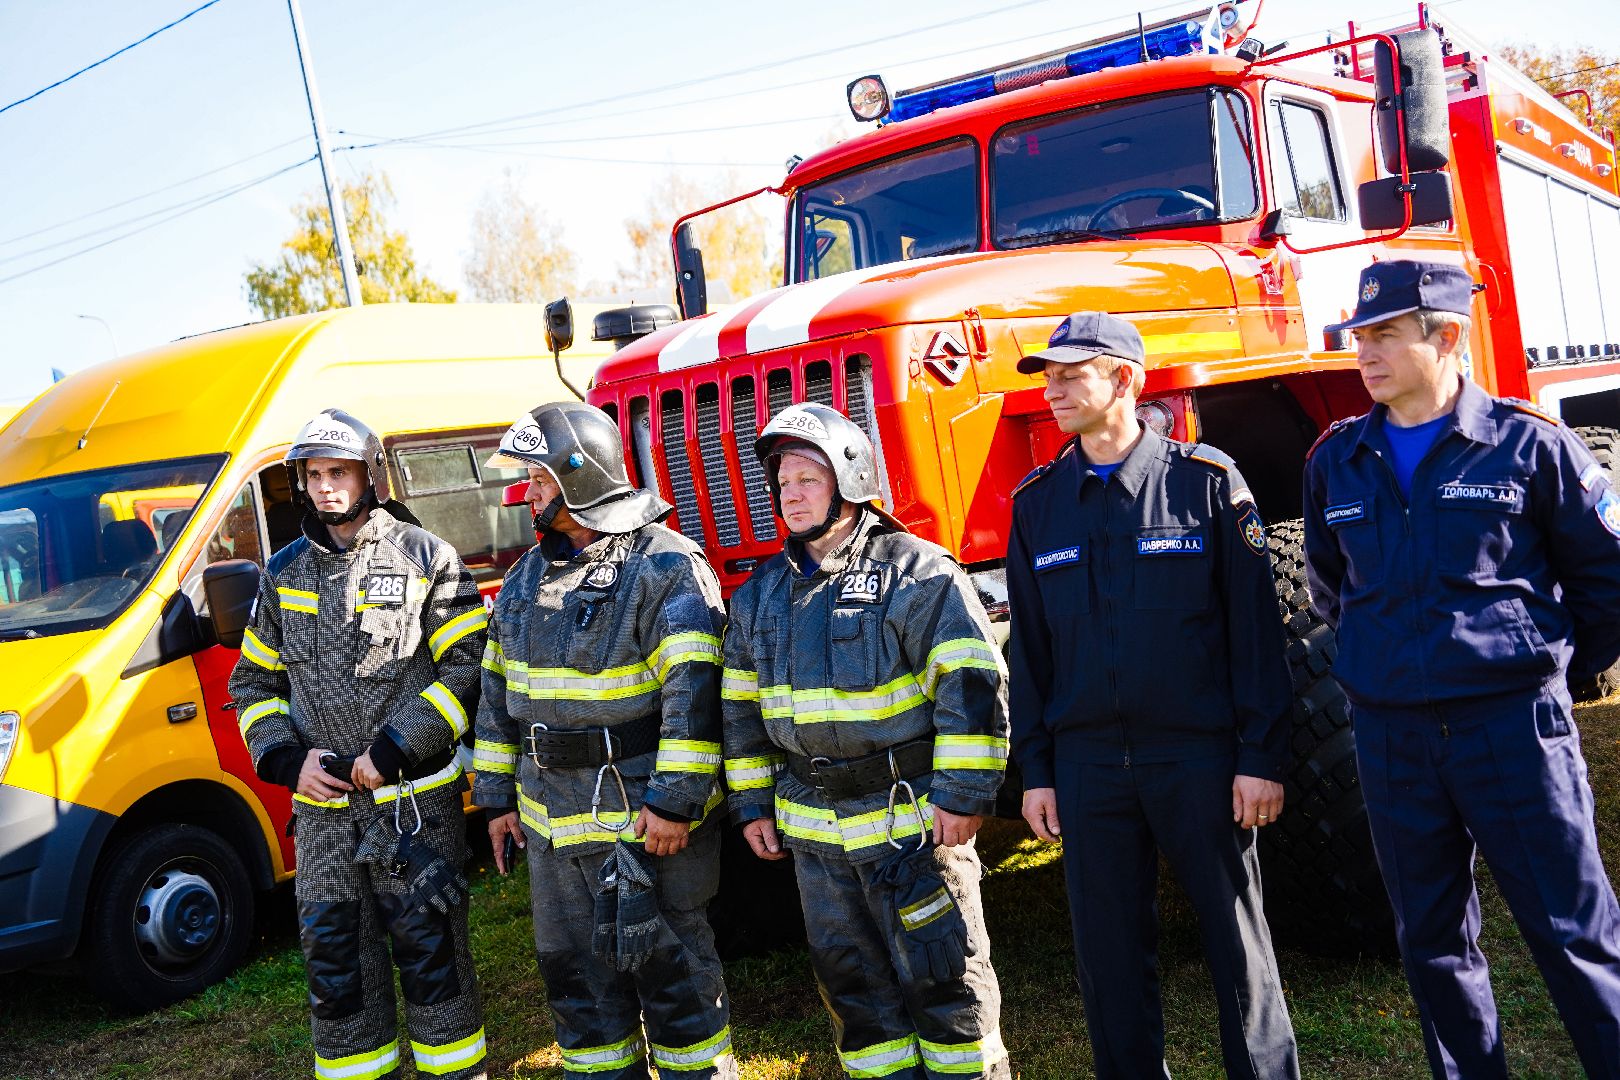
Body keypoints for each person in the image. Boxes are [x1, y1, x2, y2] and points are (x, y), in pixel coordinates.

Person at [1302, 259, 1620, 1079]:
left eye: (1385, 335)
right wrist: (1388, 665)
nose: (1364, 354)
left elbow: (1606, 583)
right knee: (1433, 941)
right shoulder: (1337, 460)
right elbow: (1334, 589)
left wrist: (1541, 672)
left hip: (1512, 728)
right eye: (1359, 336)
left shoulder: (1529, 444)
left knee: (1574, 932)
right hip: (1392, 738)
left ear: (1446, 336)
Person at [1007, 312, 1300, 1080]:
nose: (1052, 390)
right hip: (1088, 768)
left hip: (1198, 756)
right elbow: (1030, 655)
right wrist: (1038, 770)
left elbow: (1255, 633)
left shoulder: (1205, 482)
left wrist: (1260, 756)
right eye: (1048, 376)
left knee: (1238, 949)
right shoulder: (1037, 503)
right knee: (1108, 964)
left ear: (1126, 380)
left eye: (1071, 375)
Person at [722, 402, 1011, 1080]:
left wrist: (964, 794)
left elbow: (971, 684)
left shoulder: (917, 573)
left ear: (850, 480)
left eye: (808, 479)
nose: (791, 495)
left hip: (911, 828)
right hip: (815, 835)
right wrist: (752, 804)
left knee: (948, 987)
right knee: (855, 999)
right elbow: (739, 710)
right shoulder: (761, 595)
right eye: (783, 482)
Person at [472, 402, 736, 1080]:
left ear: (581, 477)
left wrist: (674, 803)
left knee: (677, 988)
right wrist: (496, 799)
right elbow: (497, 697)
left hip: (645, 826)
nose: (527, 493)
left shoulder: (666, 565)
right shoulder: (525, 577)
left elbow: (695, 694)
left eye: (539, 478)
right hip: (550, 828)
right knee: (581, 998)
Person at [231, 408, 488, 1080]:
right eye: (314, 474)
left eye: (338, 472)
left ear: (368, 474)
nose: (325, 487)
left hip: (412, 806)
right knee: (338, 969)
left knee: (433, 961)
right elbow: (252, 682)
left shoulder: (426, 557)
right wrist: (289, 761)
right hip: (323, 819)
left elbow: (467, 670)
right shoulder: (283, 573)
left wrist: (396, 749)